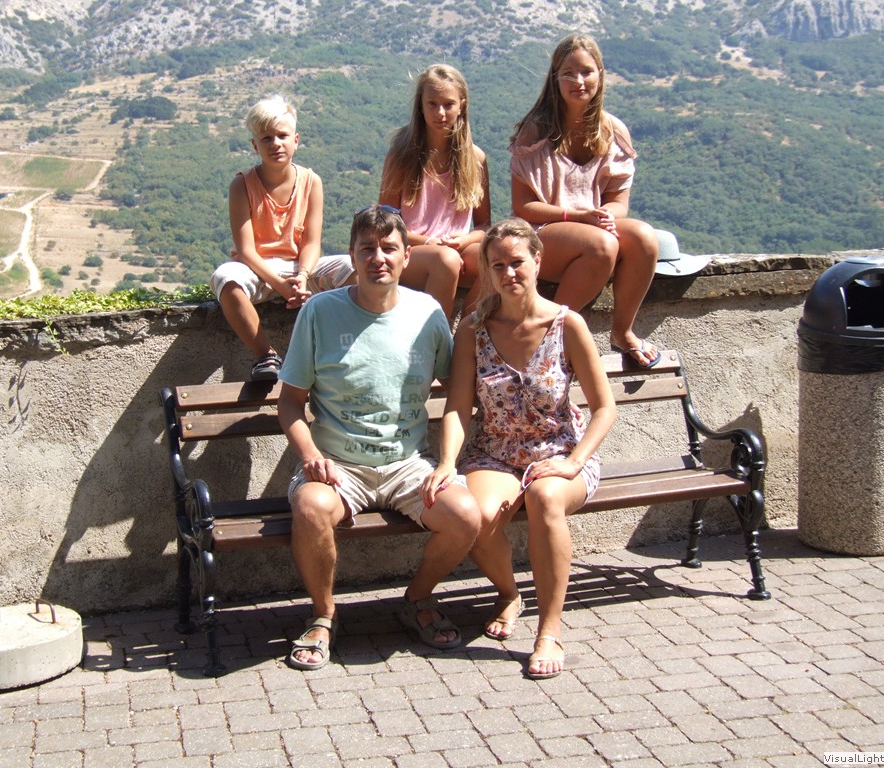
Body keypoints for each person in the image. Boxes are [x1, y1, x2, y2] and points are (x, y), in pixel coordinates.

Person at [277, 205, 483, 671]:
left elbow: (457, 395)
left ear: (407, 256)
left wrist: (447, 463)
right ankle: (323, 615)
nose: (378, 258)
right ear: (351, 256)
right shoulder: (319, 312)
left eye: (389, 248)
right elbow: (289, 404)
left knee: (465, 515)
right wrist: (309, 456)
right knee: (310, 508)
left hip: (409, 464)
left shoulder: (427, 313)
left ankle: (417, 599)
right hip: (339, 465)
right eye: (367, 248)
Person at [420, 218, 617, 679]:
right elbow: (458, 407)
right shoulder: (474, 329)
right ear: (487, 271)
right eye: (497, 265)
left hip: (561, 450)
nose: (508, 273)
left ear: (537, 261)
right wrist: (447, 462)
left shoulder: (567, 325)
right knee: (478, 515)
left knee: (545, 498)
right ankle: (510, 593)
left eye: (517, 262)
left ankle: (549, 631)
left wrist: (573, 463)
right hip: (496, 451)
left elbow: (604, 407)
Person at [510, 33, 662, 368]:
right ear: (555, 78)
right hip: (541, 231)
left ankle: (622, 332)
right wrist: (578, 216)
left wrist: (605, 213)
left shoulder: (613, 131)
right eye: (569, 73)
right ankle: (550, 336)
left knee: (645, 238)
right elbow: (524, 207)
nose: (578, 81)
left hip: (591, 227)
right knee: (602, 245)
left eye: (586, 72)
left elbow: (619, 202)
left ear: (600, 75)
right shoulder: (536, 131)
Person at [211, 94, 355, 382]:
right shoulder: (242, 185)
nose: (275, 143)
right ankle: (266, 356)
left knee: (355, 268)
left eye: (282, 136)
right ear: (255, 145)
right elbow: (246, 250)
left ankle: (339, 347)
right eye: (266, 138)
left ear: (296, 140)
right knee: (225, 278)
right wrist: (280, 285)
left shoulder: (311, 182)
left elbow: (311, 242)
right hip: (257, 268)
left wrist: (302, 276)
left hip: (300, 268)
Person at [380, 64, 491, 319]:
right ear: (420, 105)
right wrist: (429, 243)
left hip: (456, 248)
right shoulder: (401, 155)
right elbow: (385, 222)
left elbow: (484, 225)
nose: (440, 113)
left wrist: (464, 241)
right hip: (410, 249)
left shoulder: (475, 158)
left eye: (448, 104)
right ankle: (436, 338)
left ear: (462, 106)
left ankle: (467, 330)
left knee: (497, 256)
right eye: (432, 104)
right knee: (446, 260)